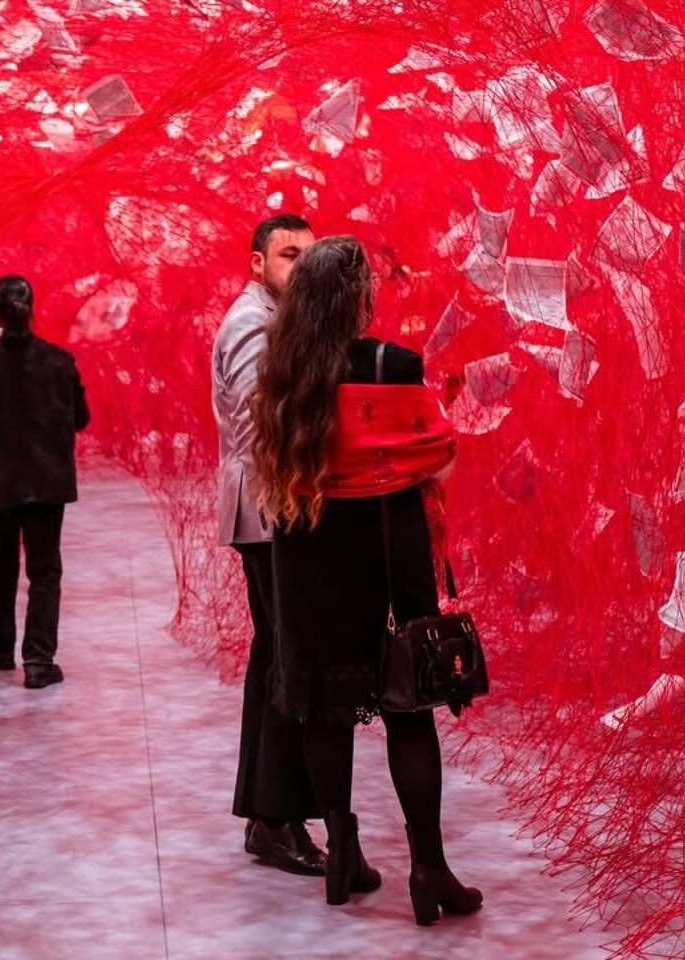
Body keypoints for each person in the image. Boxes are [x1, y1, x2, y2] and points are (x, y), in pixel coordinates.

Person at [249, 236, 482, 924]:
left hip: (311, 561)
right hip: (388, 563)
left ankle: (342, 853)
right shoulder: (394, 364)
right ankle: (428, 868)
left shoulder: (283, 373)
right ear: (358, 300)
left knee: (339, 709)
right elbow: (438, 455)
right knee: (405, 709)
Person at [212, 214, 325, 876]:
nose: (302, 268)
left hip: (270, 510)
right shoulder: (255, 323)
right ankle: (275, 817)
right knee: (285, 658)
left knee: (278, 655)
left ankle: (271, 812)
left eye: (310, 257)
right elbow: (262, 432)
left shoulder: (275, 318)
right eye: (289, 255)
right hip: (270, 513)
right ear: (257, 264)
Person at [0, 275, 89, 690]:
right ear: (32, 308)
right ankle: (38, 660)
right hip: (47, 482)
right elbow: (81, 418)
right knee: (44, 573)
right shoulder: (60, 361)